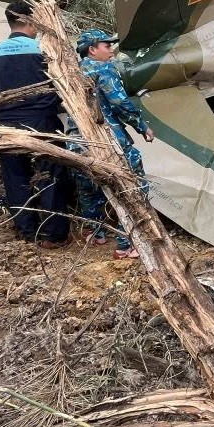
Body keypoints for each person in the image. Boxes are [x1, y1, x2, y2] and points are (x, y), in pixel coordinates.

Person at [0, 0, 72, 249]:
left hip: (5, 125)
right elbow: (63, 90)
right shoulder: (44, 49)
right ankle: (54, 235)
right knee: (50, 174)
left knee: (15, 177)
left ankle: (27, 232)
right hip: (41, 121)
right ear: (30, 21)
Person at [66, 28, 154, 260]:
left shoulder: (70, 71)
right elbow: (119, 102)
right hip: (107, 139)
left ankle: (95, 233)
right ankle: (127, 243)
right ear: (93, 50)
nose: (112, 51)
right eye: (107, 46)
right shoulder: (103, 68)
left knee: (89, 187)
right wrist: (142, 126)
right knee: (133, 186)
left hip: (76, 140)